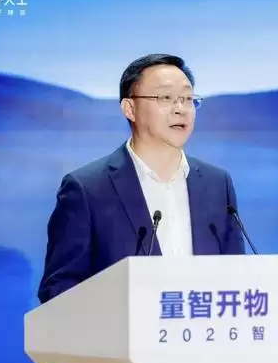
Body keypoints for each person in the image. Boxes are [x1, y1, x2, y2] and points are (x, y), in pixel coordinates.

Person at [37, 53, 246, 304]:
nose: (180, 109)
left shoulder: (217, 184)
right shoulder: (87, 189)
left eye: (188, 99)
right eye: (165, 98)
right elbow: (59, 290)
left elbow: (237, 278)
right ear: (130, 108)